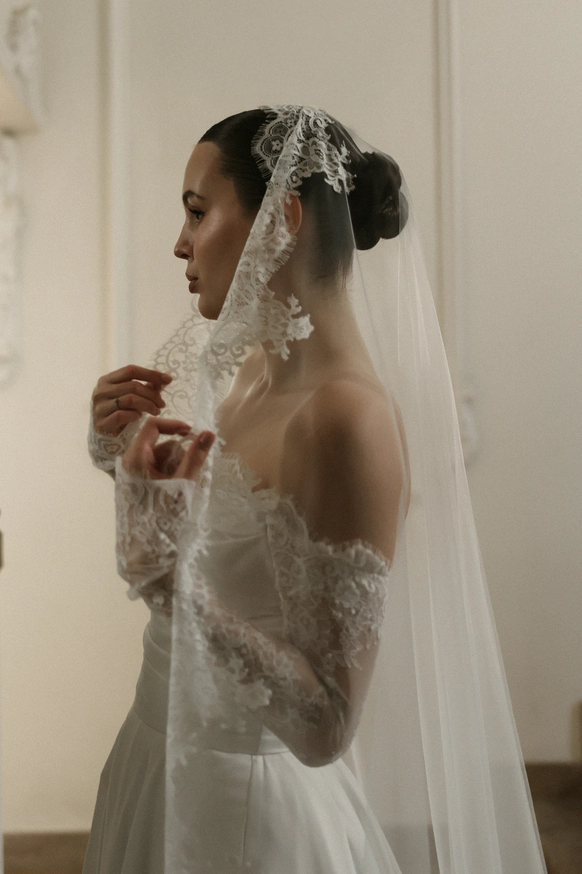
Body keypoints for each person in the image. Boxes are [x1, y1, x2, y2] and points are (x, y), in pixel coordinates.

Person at [84, 107, 546, 874]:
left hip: (244, 815)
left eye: (196, 212)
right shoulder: (248, 373)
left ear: (284, 218)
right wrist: (119, 457)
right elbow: (229, 553)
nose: (180, 244)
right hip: (154, 763)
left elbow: (326, 723)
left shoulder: (347, 420)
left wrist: (167, 586)